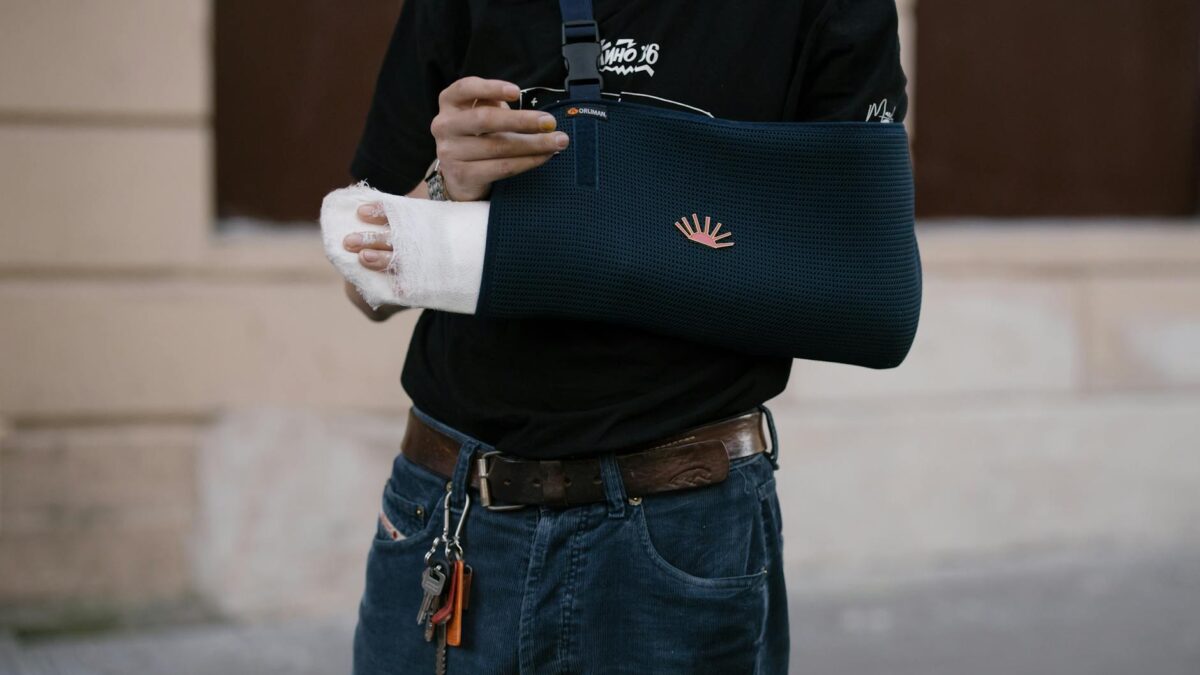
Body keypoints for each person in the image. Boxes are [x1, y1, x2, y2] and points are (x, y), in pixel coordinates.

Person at [334, 1, 908, 673]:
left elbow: (870, 290)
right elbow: (364, 286)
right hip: (452, 516)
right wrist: (445, 185)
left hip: (676, 534)